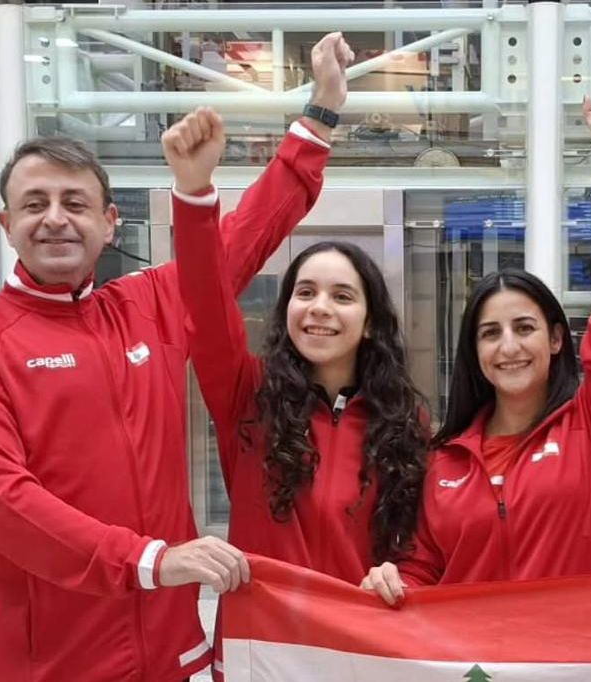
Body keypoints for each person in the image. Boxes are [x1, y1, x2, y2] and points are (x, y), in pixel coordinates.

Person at [0, 57, 338, 680]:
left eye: (75, 202)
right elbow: (0, 501)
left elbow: (246, 235)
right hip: (45, 663)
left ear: (109, 221)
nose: (55, 218)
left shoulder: (148, 305)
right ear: (7, 225)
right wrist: (148, 561)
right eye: (34, 204)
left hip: (165, 649)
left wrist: (321, 115)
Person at [167, 33, 430, 679]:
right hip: (261, 649)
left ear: (370, 321)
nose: (319, 308)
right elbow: (204, 298)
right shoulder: (247, 396)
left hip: (360, 651)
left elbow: (424, 543)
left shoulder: (405, 421)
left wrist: (403, 576)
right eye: (305, 292)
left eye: (342, 296)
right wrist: (195, 196)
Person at [360, 84, 591, 599]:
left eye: (525, 327)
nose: (508, 346)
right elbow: (425, 568)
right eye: (490, 333)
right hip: (472, 652)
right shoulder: (444, 459)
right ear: (475, 352)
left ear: (556, 339)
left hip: (569, 647)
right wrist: (392, 578)